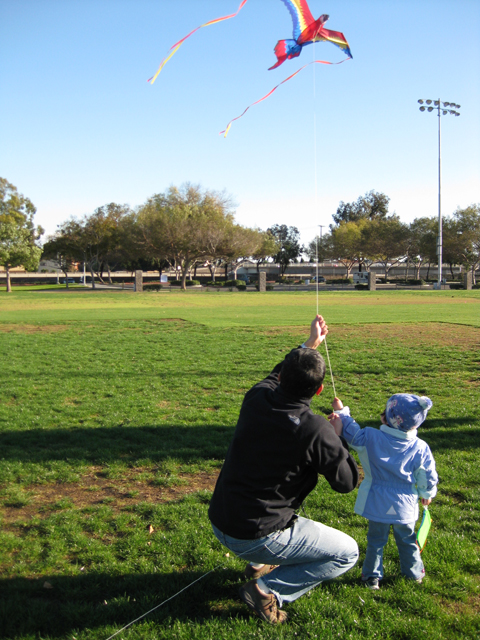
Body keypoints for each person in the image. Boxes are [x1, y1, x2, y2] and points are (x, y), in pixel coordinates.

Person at [208, 315, 359, 624]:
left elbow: (276, 374)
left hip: (221, 519)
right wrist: (340, 436)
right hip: (254, 534)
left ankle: (256, 564)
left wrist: (310, 343)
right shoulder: (315, 429)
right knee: (348, 553)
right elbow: (346, 481)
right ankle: (264, 590)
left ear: (279, 379)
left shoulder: (256, 398)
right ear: (318, 392)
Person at [329, 393, 438, 590]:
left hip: (376, 500)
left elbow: (351, 432)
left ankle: (371, 577)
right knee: (407, 540)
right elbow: (427, 474)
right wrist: (426, 494)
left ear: (385, 418)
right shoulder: (421, 447)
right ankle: (413, 574)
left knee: (375, 541)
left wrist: (341, 411)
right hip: (405, 505)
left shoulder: (370, 437)